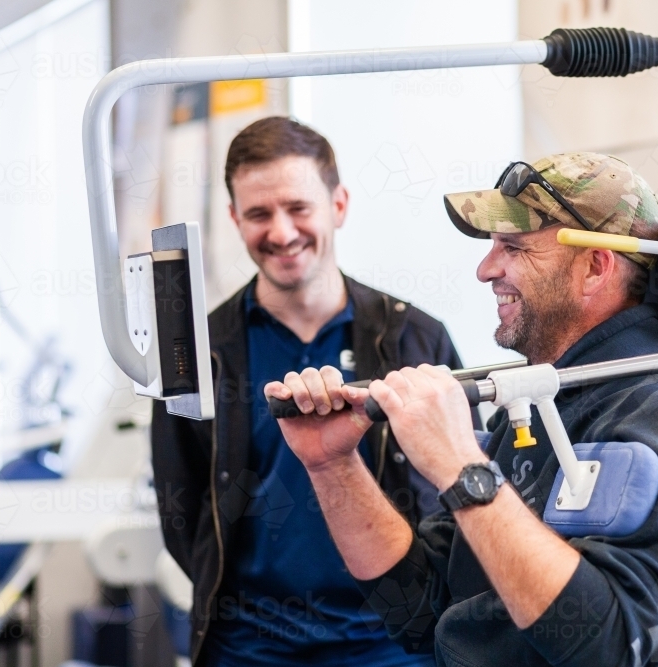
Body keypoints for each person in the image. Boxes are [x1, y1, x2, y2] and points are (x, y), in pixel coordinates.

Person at [266, 152, 658, 666]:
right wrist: (332, 465)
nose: (485, 269)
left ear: (594, 267)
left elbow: (611, 646)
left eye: (513, 248)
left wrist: (459, 466)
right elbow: (418, 612)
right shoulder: (544, 403)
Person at [152, 116, 464, 666]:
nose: (280, 231)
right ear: (233, 219)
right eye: (257, 214)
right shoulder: (199, 355)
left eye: (298, 208)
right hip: (247, 647)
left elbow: (457, 486)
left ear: (338, 205)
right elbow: (181, 511)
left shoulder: (414, 338)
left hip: (393, 644)